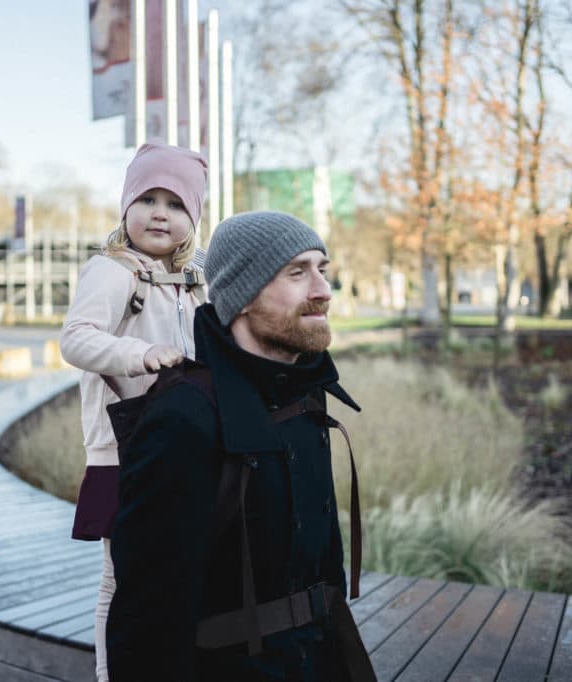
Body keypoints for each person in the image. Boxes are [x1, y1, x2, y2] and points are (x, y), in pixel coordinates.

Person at [106, 211, 375, 681]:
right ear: (243, 295)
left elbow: (321, 574)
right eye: (297, 272)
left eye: (322, 269)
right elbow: (144, 622)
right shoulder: (183, 419)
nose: (322, 290)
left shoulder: (306, 398)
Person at [59, 141, 208, 682]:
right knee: (118, 576)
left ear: (193, 218)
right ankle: (109, 673)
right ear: (126, 209)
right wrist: (141, 356)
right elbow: (76, 339)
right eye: (147, 198)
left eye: (175, 202)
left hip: (175, 443)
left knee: (172, 565)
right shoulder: (113, 270)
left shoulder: (193, 282)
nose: (159, 212)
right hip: (121, 447)